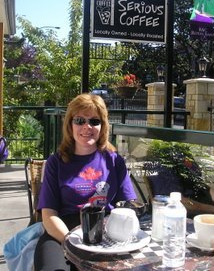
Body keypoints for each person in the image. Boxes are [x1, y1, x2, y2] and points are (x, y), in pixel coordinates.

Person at [34, 93, 137, 271]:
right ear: (70, 124)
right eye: (80, 120)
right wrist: (73, 243)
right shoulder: (55, 163)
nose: (87, 127)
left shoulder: (114, 161)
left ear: (103, 126)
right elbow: (48, 214)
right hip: (61, 233)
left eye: (94, 121)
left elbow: (127, 205)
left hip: (105, 231)